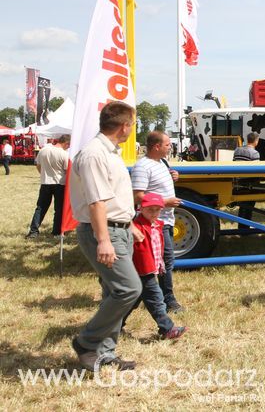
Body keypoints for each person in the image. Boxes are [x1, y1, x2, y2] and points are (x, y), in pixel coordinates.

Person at [70, 101, 141, 371]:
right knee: (129, 289)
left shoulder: (109, 152)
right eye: (132, 125)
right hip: (104, 230)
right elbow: (96, 202)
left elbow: (112, 197)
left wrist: (129, 224)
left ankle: (105, 353)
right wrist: (104, 240)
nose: (131, 129)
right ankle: (87, 343)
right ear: (124, 126)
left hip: (118, 229)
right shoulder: (94, 155)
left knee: (113, 290)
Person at [130, 131, 185, 313]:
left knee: (164, 261)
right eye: (168, 144)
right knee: (164, 261)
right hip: (154, 222)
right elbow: (138, 197)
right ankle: (167, 300)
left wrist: (173, 177)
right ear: (156, 147)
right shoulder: (142, 166)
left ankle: (153, 298)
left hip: (165, 220)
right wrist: (165, 202)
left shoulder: (161, 162)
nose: (171, 147)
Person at [122, 193, 187, 340]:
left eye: (157, 210)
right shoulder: (136, 227)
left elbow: (158, 248)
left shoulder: (158, 226)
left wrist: (160, 264)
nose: (154, 213)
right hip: (141, 270)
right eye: (150, 209)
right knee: (156, 299)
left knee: (132, 301)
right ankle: (167, 328)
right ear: (141, 209)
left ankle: (114, 325)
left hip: (151, 268)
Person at [27, 134, 70, 238]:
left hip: (45, 182)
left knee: (40, 208)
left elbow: (38, 165)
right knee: (59, 209)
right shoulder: (64, 154)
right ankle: (56, 232)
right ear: (66, 143)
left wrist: (42, 175)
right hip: (60, 183)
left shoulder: (43, 150)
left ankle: (33, 232)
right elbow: (67, 170)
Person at [233, 132, 260, 229]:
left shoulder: (237, 150)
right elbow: (257, 170)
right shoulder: (254, 153)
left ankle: (241, 226)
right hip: (249, 182)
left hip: (238, 182)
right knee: (249, 205)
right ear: (256, 141)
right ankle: (245, 227)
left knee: (243, 205)